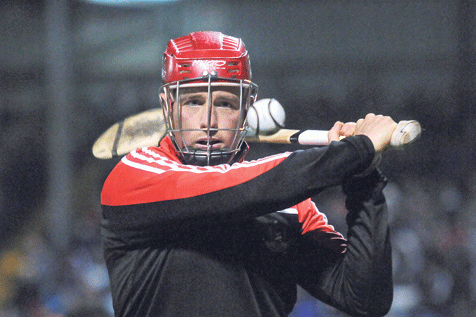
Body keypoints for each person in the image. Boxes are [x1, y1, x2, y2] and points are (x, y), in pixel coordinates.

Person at [100, 31, 395, 317]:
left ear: (246, 110)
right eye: (193, 101)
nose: (209, 121)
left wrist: (363, 179)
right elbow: (238, 189)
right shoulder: (134, 176)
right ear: (168, 107)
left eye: (225, 103)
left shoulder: (289, 204)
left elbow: (365, 299)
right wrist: (354, 151)